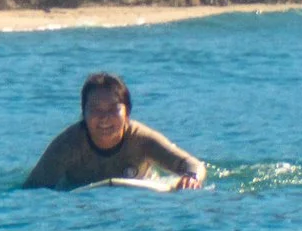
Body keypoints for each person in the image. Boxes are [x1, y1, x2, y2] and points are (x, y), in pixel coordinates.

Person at [24, 71, 206, 192]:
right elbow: (33, 190)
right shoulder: (67, 145)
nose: (104, 118)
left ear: (127, 113)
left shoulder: (141, 139)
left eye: (113, 109)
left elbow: (193, 165)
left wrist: (191, 178)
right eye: (95, 109)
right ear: (83, 113)